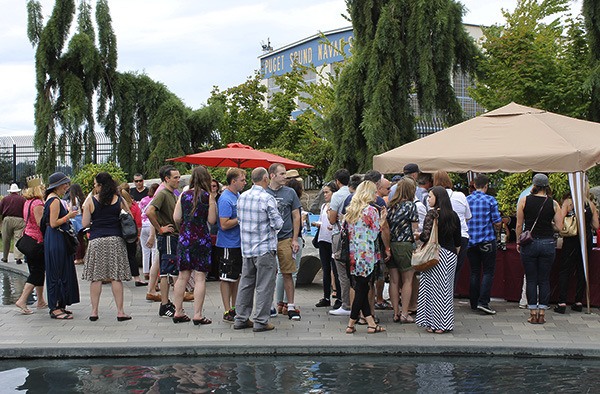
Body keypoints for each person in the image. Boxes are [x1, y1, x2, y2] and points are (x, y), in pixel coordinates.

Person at [234, 167, 283, 332]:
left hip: (247, 248)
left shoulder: (242, 197)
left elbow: (240, 220)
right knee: (264, 285)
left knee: (246, 283)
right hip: (264, 248)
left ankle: (240, 318)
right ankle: (261, 321)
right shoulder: (267, 198)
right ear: (266, 179)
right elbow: (278, 224)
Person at [82, 172, 132, 321]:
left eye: (95, 185)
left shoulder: (91, 201)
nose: (94, 187)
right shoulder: (119, 200)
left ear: (100, 186)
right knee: (116, 277)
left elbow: (85, 224)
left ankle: (94, 311)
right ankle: (120, 312)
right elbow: (129, 216)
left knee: (96, 278)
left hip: (97, 240)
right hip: (116, 239)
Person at [171, 166, 217, 325]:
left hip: (185, 237)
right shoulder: (207, 197)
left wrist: (185, 225)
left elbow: (176, 217)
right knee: (200, 278)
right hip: (202, 239)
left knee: (182, 276)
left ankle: (178, 311)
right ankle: (197, 314)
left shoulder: (183, 195)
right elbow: (211, 220)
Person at [516, 173, 563, 324]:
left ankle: (532, 313)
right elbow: (560, 227)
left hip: (529, 243)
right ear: (547, 186)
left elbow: (518, 224)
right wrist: (548, 224)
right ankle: (542, 313)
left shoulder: (524, 200)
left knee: (531, 279)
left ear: (534, 185)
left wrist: (518, 241)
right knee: (544, 279)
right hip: (548, 243)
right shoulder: (553, 203)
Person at [415, 186, 461, 334]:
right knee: (445, 290)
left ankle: (431, 323)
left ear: (437, 198)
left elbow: (425, 236)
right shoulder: (453, 215)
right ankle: (444, 323)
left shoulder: (432, 214)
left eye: (430, 196)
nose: (428, 199)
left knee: (430, 290)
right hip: (450, 255)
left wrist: (417, 235)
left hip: (434, 256)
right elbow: (458, 240)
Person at [344, 181, 387, 334]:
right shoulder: (371, 211)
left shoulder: (352, 210)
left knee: (361, 287)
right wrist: (382, 220)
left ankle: (370, 323)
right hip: (367, 255)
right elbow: (375, 234)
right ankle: (351, 324)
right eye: (375, 192)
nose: (377, 195)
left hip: (354, 254)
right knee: (362, 289)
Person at [265, 163, 302, 321]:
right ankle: (270, 305)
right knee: (267, 274)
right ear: (272, 175)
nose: (285, 177)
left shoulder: (290, 192)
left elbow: (296, 216)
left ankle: (291, 305)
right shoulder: (264, 192)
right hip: (267, 239)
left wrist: (294, 239)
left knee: (288, 272)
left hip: (285, 238)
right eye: (282, 174)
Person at [554, 186, 599, 314]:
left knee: (565, 269)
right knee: (582, 269)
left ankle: (562, 301)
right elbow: (596, 225)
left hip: (571, 239)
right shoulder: (590, 204)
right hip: (586, 239)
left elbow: (560, 223)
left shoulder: (568, 203)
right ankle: (578, 301)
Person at [43, 172, 80, 320]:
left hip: (54, 238)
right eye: (65, 184)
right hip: (56, 238)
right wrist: (69, 216)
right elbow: (53, 223)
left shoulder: (51, 199)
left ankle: (59, 304)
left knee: (58, 269)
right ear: (57, 185)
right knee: (57, 271)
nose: (67, 187)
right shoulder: (55, 201)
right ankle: (55, 307)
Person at [146, 165, 181, 318]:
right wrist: (160, 229)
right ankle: (165, 304)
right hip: (167, 238)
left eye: (179, 177)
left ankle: (168, 303)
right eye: (175, 177)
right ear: (167, 179)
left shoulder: (172, 194)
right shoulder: (163, 194)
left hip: (173, 237)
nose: (178, 180)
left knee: (171, 270)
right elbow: (149, 211)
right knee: (166, 272)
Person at [466, 174, 502, 315]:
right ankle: (483, 302)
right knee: (488, 272)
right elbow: (497, 221)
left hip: (471, 241)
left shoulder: (467, 200)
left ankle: (474, 302)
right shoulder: (490, 200)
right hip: (487, 240)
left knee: (474, 272)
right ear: (486, 186)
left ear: (474, 185)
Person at [386, 177, 418, 323]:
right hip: (405, 244)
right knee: (407, 280)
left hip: (390, 244)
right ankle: (405, 313)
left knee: (393, 280)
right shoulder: (410, 206)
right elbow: (415, 229)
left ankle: (395, 312)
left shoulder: (390, 205)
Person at [216, 168, 246, 322]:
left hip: (238, 243)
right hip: (228, 244)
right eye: (242, 180)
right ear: (233, 181)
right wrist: (241, 218)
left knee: (237, 277)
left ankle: (235, 307)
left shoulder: (238, 196)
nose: (244, 182)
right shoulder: (225, 199)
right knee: (227, 277)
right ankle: (227, 309)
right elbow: (224, 223)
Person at [433, 170, 471, 285]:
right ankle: (449, 298)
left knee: (439, 273)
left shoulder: (433, 196)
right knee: (455, 271)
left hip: (441, 237)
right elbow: (468, 216)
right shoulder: (460, 195)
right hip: (461, 235)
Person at [274, 176, 305, 314]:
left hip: (278, 238)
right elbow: (297, 220)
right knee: (291, 272)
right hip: (291, 238)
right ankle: (288, 303)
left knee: (281, 272)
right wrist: (295, 239)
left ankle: (280, 303)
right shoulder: (293, 202)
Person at [14, 184, 47, 314]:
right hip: (37, 241)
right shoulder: (38, 203)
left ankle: (40, 300)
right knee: (37, 272)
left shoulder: (28, 202)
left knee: (36, 269)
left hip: (28, 237)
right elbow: (40, 223)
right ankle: (22, 300)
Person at [328, 168, 352, 316]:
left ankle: (345, 303)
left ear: (337, 182)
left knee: (341, 270)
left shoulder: (337, 196)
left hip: (339, 233)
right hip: (354, 235)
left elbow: (332, 219)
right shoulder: (352, 194)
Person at [314, 181, 338, 307]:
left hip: (333, 239)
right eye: (324, 192)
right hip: (323, 239)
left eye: (327, 192)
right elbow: (321, 221)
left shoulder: (335, 206)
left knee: (335, 268)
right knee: (325, 268)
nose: (325, 195)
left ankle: (338, 296)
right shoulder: (324, 206)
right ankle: (326, 297)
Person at [119, 185, 146, 286]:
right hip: (130, 235)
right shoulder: (134, 207)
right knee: (131, 256)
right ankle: (137, 278)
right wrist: (138, 235)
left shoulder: (115, 207)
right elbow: (138, 222)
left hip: (119, 234)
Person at [0, 183, 26, 264]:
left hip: (7, 219)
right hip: (20, 219)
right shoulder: (22, 199)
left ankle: (5, 257)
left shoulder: (5, 199)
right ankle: (18, 258)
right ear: (17, 191)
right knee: (18, 238)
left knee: (6, 239)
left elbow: (0, 211)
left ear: (10, 191)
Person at [139, 183, 160, 283]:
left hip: (143, 225)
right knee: (155, 250)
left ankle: (146, 271)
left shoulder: (143, 200)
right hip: (152, 224)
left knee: (145, 250)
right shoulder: (157, 199)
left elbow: (140, 211)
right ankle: (153, 271)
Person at [67, 184, 87, 265]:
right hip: (82, 218)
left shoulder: (74, 199)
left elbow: (72, 210)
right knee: (81, 239)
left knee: (77, 240)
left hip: (76, 220)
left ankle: (78, 257)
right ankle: (82, 256)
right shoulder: (82, 198)